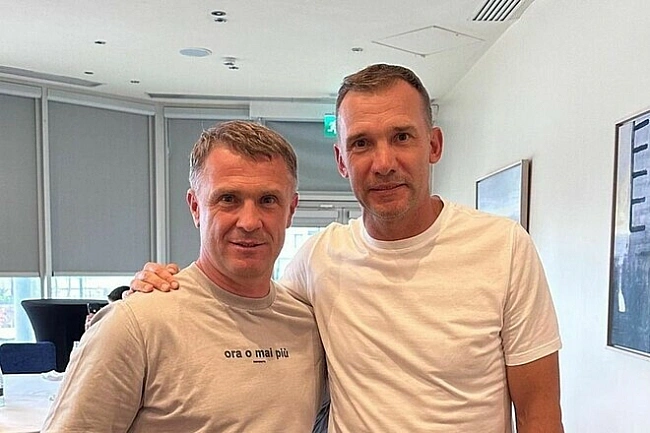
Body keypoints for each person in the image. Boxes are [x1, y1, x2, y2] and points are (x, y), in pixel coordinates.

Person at [133, 64, 563, 432]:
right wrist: (164, 288)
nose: (383, 163)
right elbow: (242, 311)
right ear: (341, 160)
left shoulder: (503, 247)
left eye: (401, 137)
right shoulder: (317, 259)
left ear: (433, 145)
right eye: (361, 143)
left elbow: (538, 411)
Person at [43, 121, 326, 432]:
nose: (249, 222)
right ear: (195, 207)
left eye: (268, 200)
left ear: (290, 211)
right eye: (228, 199)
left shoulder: (309, 326)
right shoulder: (134, 325)